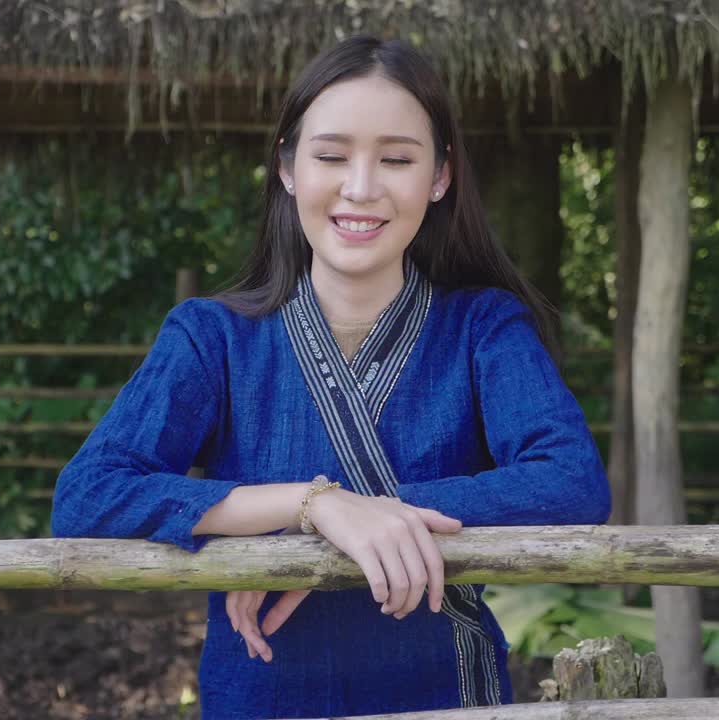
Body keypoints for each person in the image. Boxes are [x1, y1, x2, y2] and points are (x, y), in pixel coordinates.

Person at [51, 35, 610, 719]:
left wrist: (354, 526)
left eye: (397, 159)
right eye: (331, 156)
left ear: (440, 177)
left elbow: (572, 482)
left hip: (445, 696)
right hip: (261, 698)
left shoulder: (484, 328)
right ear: (287, 167)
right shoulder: (211, 338)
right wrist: (311, 507)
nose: (362, 187)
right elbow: (88, 495)